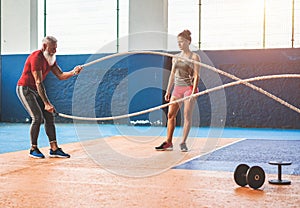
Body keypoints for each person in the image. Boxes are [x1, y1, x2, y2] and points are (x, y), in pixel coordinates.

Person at [16, 36, 83, 159]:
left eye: (56, 48)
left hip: (36, 90)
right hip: (25, 89)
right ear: (45, 46)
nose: (55, 51)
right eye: (53, 48)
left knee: (49, 116)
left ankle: (54, 149)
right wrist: (46, 103)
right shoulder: (36, 57)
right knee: (37, 117)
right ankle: (33, 148)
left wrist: (74, 72)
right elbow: (38, 82)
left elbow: (61, 75)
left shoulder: (50, 59)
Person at [155, 30, 200, 152]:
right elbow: (172, 75)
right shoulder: (176, 57)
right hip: (177, 89)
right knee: (170, 115)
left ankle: (183, 142)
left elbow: (196, 76)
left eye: (181, 42)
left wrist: (193, 91)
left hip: (188, 89)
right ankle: (168, 142)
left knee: (186, 115)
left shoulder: (194, 57)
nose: (179, 44)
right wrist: (168, 91)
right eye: (178, 42)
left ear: (188, 42)